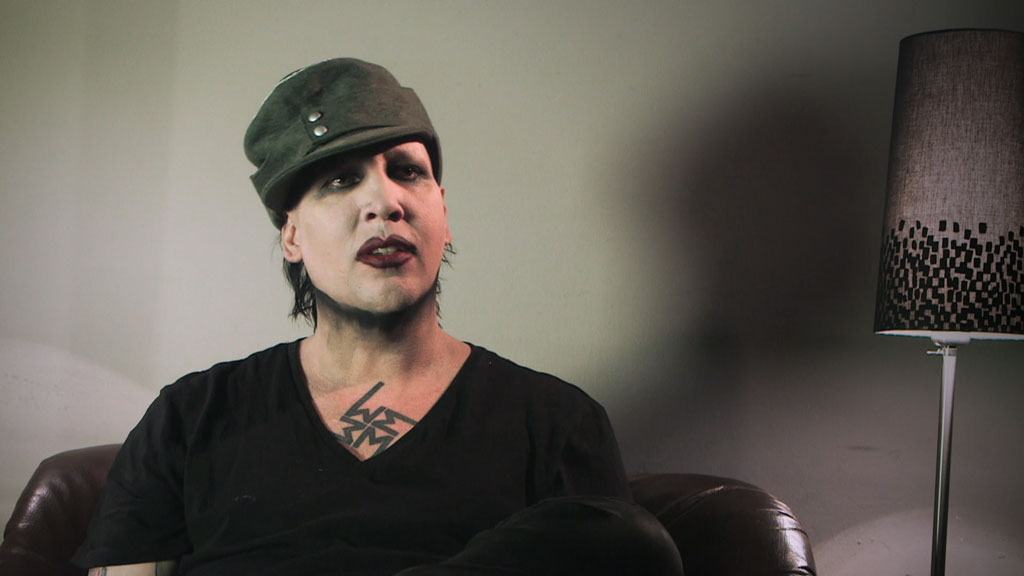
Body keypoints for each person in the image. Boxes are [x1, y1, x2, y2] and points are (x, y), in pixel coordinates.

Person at [73, 58, 683, 576]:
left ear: (442, 212)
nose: (384, 202)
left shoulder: (555, 423)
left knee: (630, 538)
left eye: (408, 172)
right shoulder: (191, 417)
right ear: (292, 235)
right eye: (341, 180)